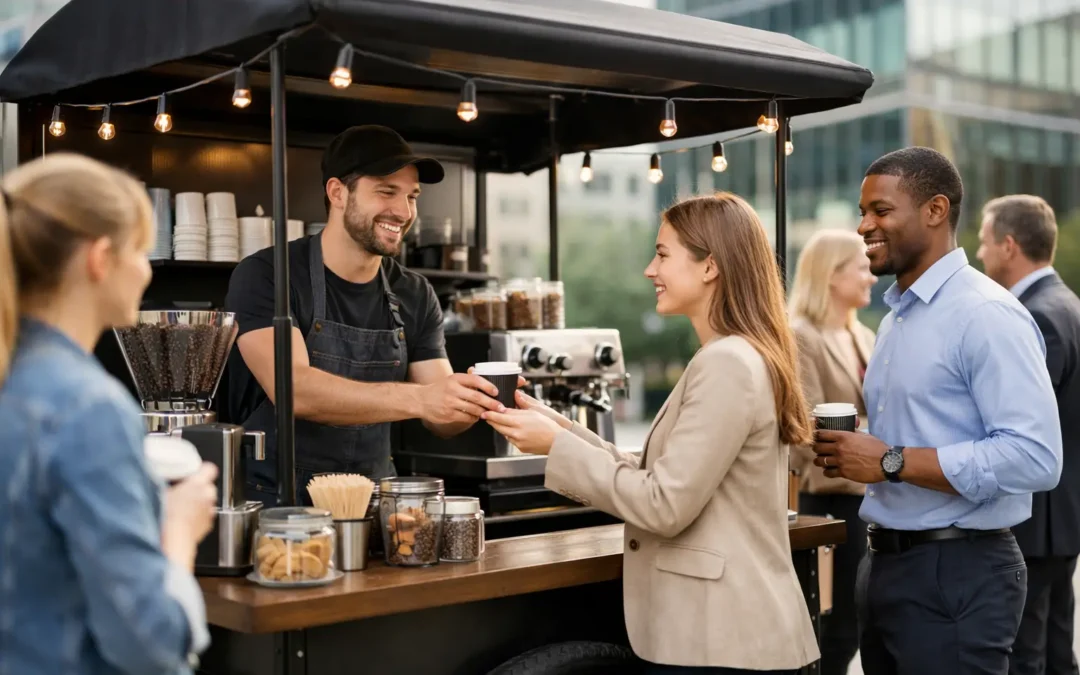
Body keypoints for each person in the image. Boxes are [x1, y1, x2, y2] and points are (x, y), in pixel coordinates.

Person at [483, 193, 821, 674]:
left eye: (663, 254)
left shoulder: (726, 362)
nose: (650, 269)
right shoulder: (735, 354)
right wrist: (552, 423)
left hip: (721, 644)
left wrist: (554, 446)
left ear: (710, 266)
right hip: (724, 640)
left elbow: (664, 504)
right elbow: (654, 471)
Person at [814, 147, 1062, 675]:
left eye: (880, 211)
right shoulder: (897, 317)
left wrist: (891, 461)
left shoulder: (986, 314)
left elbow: (1036, 457)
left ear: (935, 210)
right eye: (863, 212)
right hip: (884, 565)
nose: (864, 226)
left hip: (957, 573)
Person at [0, 153, 218, 674]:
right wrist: (179, 532)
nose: (146, 270)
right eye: (140, 251)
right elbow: (150, 643)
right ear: (100, 259)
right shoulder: (88, 408)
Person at [225, 125, 507, 505]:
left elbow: (440, 417)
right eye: (386, 191)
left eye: (412, 196)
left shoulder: (414, 293)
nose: (404, 212)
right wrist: (423, 399)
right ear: (338, 192)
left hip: (374, 505)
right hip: (278, 508)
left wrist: (475, 401)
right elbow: (295, 391)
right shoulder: (269, 275)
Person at [976, 194, 1080, 675]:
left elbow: (1024, 422)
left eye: (983, 241)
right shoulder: (1069, 304)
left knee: (1027, 655)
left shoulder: (1036, 315)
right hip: (1062, 518)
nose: (979, 253)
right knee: (1058, 647)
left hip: (1040, 519)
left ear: (1009, 245)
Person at [787, 228, 877, 675]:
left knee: (855, 619)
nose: (871, 276)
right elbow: (806, 424)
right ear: (831, 274)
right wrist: (874, 435)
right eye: (862, 266)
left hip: (867, 498)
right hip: (827, 500)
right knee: (832, 624)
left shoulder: (864, 334)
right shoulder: (802, 335)